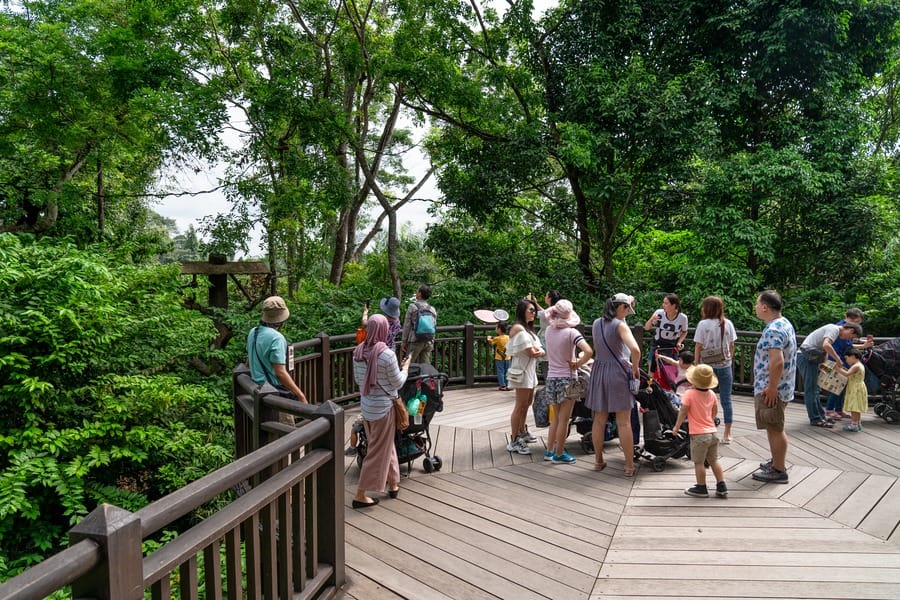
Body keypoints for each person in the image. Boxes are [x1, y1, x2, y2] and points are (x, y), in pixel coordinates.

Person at [352, 314, 413, 508]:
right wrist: (406, 368)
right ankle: (361, 494)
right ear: (384, 330)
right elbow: (398, 382)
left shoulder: (358, 352)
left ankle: (393, 483)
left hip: (367, 406)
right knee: (377, 451)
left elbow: (358, 380)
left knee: (385, 444)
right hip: (383, 408)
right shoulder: (386, 354)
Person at [586, 293, 641, 476]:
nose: (627, 312)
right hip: (617, 372)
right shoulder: (620, 325)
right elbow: (635, 349)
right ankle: (629, 466)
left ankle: (598, 461)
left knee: (599, 419)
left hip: (599, 370)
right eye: (627, 309)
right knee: (623, 422)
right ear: (620, 307)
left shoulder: (596, 323)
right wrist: (635, 367)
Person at [751, 290, 798, 484]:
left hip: (772, 389)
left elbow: (777, 362)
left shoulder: (773, 330)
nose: (755, 307)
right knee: (774, 426)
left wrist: (771, 388)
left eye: (757, 303)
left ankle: (779, 470)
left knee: (775, 428)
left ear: (765, 307)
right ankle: (776, 462)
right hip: (783, 386)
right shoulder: (784, 323)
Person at [542, 300, 593, 464]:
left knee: (556, 418)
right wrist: (578, 364)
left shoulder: (548, 331)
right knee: (565, 419)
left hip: (551, 377)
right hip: (569, 379)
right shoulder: (571, 333)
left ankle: (549, 450)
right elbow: (588, 351)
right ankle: (559, 454)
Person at [246, 296, 308, 424]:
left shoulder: (253, 332)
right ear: (282, 319)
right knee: (287, 437)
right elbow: (280, 373)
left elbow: (249, 361)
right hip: (274, 394)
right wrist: (300, 395)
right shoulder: (277, 338)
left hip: (256, 390)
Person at [671, 365, 728, 498]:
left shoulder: (689, 394)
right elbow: (714, 411)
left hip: (699, 435)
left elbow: (683, 411)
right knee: (714, 460)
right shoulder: (712, 394)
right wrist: (710, 420)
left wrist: (676, 427)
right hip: (712, 432)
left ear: (693, 381)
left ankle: (701, 487)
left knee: (699, 462)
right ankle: (721, 485)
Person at [797, 321, 863, 427]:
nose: (848, 340)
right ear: (851, 330)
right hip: (806, 358)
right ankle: (815, 418)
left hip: (812, 358)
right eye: (851, 337)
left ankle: (821, 416)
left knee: (816, 389)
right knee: (811, 389)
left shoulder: (834, 331)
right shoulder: (834, 329)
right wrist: (837, 359)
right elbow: (826, 344)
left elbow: (825, 347)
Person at [693, 296, 738, 443]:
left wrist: (696, 364)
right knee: (726, 399)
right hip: (725, 365)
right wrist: (728, 358)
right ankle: (727, 433)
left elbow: (698, 346)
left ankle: (707, 429)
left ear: (707, 308)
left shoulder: (703, 324)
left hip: (707, 367)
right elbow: (732, 346)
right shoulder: (728, 323)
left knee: (704, 399)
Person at [505, 298, 545, 455]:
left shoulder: (527, 330)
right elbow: (533, 352)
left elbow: (538, 350)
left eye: (534, 310)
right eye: (531, 310)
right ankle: (514, 440)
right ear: (522, 311)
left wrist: (539, 351)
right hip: (521, 371)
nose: (533, 313)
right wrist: (539, 352)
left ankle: (522, 431)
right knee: (520, 405)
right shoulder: (519, 329)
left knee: (527, 402)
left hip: (529, 371)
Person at [825, 308, 873, 420]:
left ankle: (838, 410)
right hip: (838, 359)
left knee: (842, 385)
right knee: (837, 386)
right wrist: (863, 346)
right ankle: (829, 410)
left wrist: (863, 345)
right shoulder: (841, 329)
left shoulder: (847, 328)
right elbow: (847, 347)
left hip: (843, 359)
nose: (857, 326)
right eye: (857, 322)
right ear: (850, 319)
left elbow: (849, 345)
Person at [644, 293, 689, 375]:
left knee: (670, 373)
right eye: (663, 302)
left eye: (666, 303)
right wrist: (651, 320)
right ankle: (651, 386)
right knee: (652, 371)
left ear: (673, 305)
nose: (663, 305)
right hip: (657, 346)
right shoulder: (659, 313)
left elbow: (684, 331)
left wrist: (679, 342)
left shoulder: (682, 318)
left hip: (671, 348)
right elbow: (646, 328)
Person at [401, 285, 437, 364]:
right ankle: (426, 376)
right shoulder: (432, 309)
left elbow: (407, 326)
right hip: (428, 341)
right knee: (425, 367)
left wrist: (404, 341)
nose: (416, 293)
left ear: (420, 294)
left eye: (417, 291)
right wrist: (432, 340)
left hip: (415, 340)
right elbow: (434, 326)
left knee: (407, 366)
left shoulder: (412, 307)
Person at [835, 348, 868, 432]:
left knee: (854, 407)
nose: (846, 361)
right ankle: (858, 423)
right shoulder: (860, 364)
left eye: (847, 358)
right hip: (858, 387)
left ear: (853, 356)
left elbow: (847, 374)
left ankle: (854, 424)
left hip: (855, 388)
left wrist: (838, 369)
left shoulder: (856, 366)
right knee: (856, 407)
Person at [487, 322, 511, 391]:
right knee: (507, 371)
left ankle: (502, 385)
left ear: (499, 329)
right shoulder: (508, 337)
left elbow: (491, 341)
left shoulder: (498, 339)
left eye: (496, 328)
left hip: (499, 358)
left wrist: (488, 338)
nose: (495, 329)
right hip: (508, 357)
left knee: (500, 371)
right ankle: (508, 385)